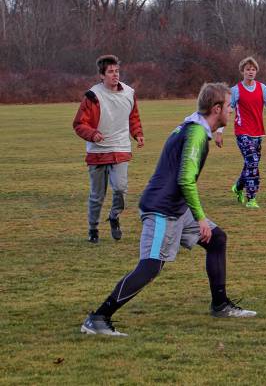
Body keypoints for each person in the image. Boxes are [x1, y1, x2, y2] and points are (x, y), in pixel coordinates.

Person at [81, 83, 256, 336]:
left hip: (176, 206)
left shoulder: (193, 126)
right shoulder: (196, 134)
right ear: (217, 108)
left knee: (217, 239)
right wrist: (201, 218)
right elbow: (185, 179)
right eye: (229, 106)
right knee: (151, 265)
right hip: (162, 209)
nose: (232, 111)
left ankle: (220, 305)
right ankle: (98, 318)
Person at [73, 55, 144, 244]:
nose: (115, 75)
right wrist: (92, 134)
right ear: (102, 75)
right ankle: (93, 228)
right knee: (97, 196)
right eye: (110, 72)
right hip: (97, 151)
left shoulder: (129, 92)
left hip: (120, 148)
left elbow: (133, 117)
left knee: (120, 188)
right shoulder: (92, 96)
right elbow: (79, 124)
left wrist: (137, 134)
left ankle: (114, 216)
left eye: (117, 71)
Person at [216, 56, 266, 210]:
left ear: (256, 72)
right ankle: (251, 198)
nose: (250, 72)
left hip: (258, 132)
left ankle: (238, 187)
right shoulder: (235, 91)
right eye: (247, 69)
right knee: (253, 161)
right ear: (242, 71)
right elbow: (228, 110)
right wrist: (219, 132)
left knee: (250, 164)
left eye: (253, 69)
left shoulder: (261, 88)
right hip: (242, 132)